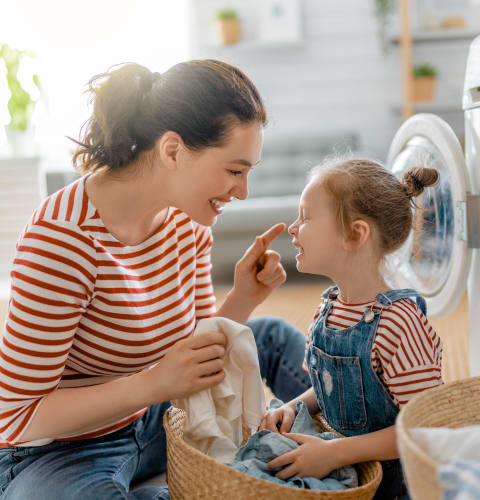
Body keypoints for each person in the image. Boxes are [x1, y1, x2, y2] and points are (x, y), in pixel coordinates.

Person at [0, 60, 306, 499]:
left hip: (157, 416)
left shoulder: (189, 221)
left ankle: (355, 446)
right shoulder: (63, 239)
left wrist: (242, 298)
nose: (243, 192)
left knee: (268, 334)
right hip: (59, 449)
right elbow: (19, 414)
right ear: (173, 151)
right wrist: (153, 383)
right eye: (234, 171)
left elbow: (194, 355)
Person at [255, 158, 443, 499]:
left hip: (396, 485)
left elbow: (423, 426)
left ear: (355, 234)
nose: (293, 228)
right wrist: (293, 407)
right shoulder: (329, 309)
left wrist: (335, 453)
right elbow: (331, 386)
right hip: (341, 470)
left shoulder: (400, 323)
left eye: (306, 217)